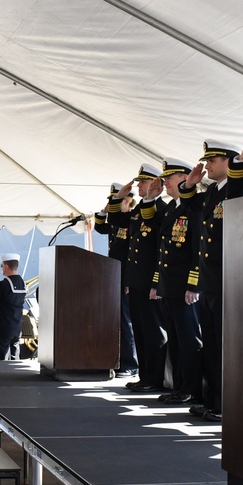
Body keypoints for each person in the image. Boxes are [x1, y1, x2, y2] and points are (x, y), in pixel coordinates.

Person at [178, 142, 239, 421]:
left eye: (213, 160)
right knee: (212, 347)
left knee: (224, 347)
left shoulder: (236, 187)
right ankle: (215, 402)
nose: (208, 166)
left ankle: (227, 405)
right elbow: (189, 209)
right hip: (210, 282)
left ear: (230, 161)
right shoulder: (212, 191)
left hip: (229, 279)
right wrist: (189, 185)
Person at [108, 166, 169, 393]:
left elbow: (159, 251)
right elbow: (114, 219)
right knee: (140, 331)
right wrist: (119, 197)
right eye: (140, 183)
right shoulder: (138, 211)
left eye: (144, 182)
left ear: (156, 185)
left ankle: (155, 378)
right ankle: (144, 376)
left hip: (149, 282)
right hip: (135, 281)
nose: (140, 186)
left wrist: (156, 283)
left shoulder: (161, 209)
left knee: (153, 332)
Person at [151, 159, 203, 405]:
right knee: (176, 338)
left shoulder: (193, 208)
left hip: (184, 287)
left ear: (185, 177)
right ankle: (180, 385)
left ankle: (192, 388)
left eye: (169, 178)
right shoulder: (172, 208)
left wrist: (193, 285)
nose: (165, 183)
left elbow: (197, 250)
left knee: (189, 340)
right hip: (170, 286)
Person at [94, 184, 140, 377]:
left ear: (128, 200)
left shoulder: (132, 219)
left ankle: (130, 364)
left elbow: (133, 254)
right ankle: (118, 359)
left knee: (126, 322)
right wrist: (105, 209)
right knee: (116, 322)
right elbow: (99, 227)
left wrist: (129, 279)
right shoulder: (116, 221)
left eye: (118, 199)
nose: (112, 203)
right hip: (114, 277)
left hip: (126, 278)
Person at [0, 253, 27, 361]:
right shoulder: (22, 282)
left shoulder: (3, 285)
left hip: (3, 328)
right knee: (14, 357)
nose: (2, 269)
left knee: (0, 359)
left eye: (2, 266)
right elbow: (8, 296)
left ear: (6, 266)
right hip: (16, 327)